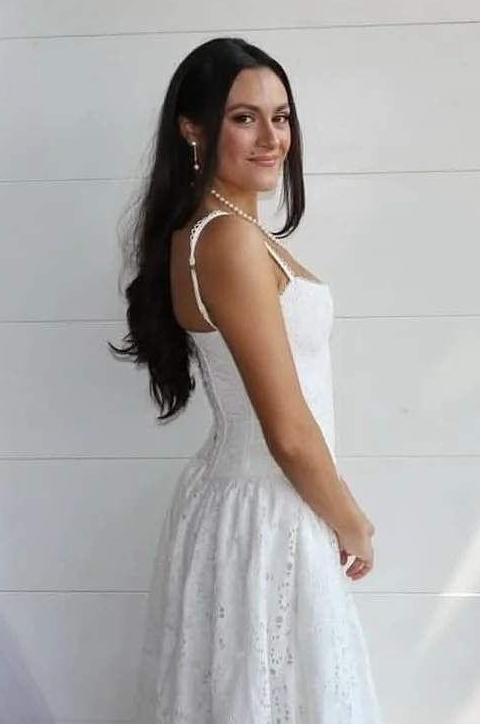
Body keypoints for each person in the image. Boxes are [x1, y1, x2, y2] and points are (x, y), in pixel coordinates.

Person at [111, 37, 382, 723]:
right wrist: (351, 522)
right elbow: (288, 433)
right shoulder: (224, 239)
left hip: (253, 503)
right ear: (192, 128)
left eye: (281, 116)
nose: (271, 137)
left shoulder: (221, 231)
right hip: (269, 508)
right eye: (244, 117)